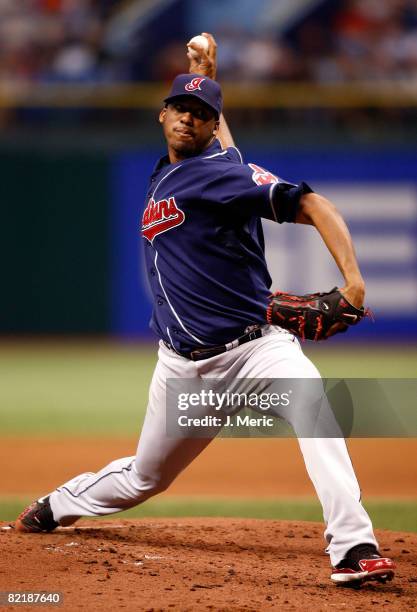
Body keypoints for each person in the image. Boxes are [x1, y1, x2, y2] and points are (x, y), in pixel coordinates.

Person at [16, 33, 395, 586]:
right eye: (182, 109)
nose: (189, 120)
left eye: (203, 114)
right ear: (162, 114)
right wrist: (209, 77)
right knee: (145, 478)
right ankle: (57, 504)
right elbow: (231, 156)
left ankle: (354, 546)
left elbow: (313, 203)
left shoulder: (220, 175)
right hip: (185, 371)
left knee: (319, 413)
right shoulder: (176, 172)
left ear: (212, 125)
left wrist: (353, 282)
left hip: (258, 354)